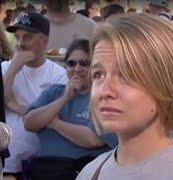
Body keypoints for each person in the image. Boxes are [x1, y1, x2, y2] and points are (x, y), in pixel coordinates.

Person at [76, 13, 173, 180]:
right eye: (98, 75)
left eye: (125, 75)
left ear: (168, 83)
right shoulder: (91, 171)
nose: (105, 91)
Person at [24, 39, 117, 180]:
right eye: (71, 63)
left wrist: (54, 123)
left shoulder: (102, 96)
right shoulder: (54, 92)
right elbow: (29, 123)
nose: (77, 68)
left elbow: (93, 140)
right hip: (46, 169)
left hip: (84, 169)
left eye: (84, 63)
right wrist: (64, 99)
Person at [2, 12, 68, 179]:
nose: (20, 44)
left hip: (43, 164)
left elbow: (53, 118)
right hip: (7, 164)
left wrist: (16, 106)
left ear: (44, 42)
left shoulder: (58, 74)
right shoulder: (5, 68)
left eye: (27, 37)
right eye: (17, 37)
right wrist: (13, 69)